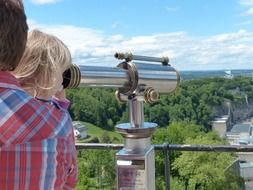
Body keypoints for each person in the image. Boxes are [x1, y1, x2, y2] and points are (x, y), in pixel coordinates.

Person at [0, 1, 77, 189]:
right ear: (50, 74)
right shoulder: (57, 123)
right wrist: (60, 104)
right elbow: (69, 181)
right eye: (63, 72)